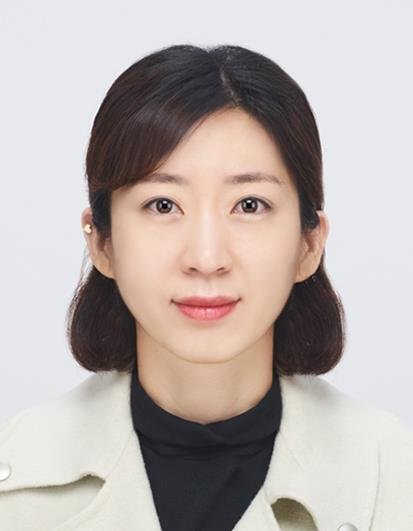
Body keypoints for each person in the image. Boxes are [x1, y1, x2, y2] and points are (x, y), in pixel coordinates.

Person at [0, 43, 412, 531]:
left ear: (309, 243)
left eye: (250, 205)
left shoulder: (394, 477)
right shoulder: (14, 475)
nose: (207, 258)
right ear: (102, 242)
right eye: (163, 205)